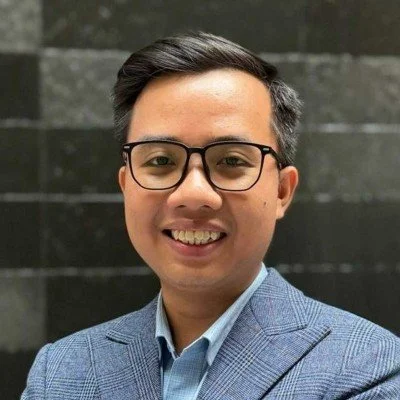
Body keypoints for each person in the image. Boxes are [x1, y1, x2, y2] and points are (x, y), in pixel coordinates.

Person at [22, 32, 400, 399]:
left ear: (282, 191)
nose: (193, 195)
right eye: (160, 161)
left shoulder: (368, 369)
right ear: (126, 186)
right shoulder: (61, 372)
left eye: (231, 161)